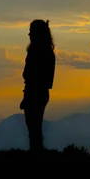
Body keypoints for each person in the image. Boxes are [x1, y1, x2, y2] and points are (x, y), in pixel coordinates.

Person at [20, 19, 56, 155]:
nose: (29, 34)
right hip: (39, 93)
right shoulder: (47, 50)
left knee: (33, 128)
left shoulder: (37, 51)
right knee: (35, 127)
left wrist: (28, 96)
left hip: (35, 93)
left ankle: (36, 153)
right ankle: (37, 152)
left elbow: (33, 76)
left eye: (31, 31)